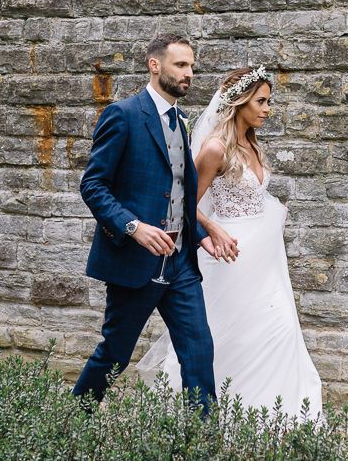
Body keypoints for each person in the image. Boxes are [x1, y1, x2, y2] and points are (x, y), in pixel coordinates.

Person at [137, 66, 323, 419]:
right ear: (239, 102)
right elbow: (183, 203)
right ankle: (219, 420)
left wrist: (271, 208)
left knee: (280, 330)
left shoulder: (252, 143)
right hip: (230, 262)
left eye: (269, 102)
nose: (268, 109)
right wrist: (212, 228)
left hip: (265, 264)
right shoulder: (214, 149)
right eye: (261, 101)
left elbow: (252, 197)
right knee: (231, 340)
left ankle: (278, 421)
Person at [72, 34, 223, 414]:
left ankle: (203, 441)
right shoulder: (123, 115)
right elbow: (93, 185)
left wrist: (200, 234)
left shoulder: (181, 120)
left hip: (180, 262)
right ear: (155, 65)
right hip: (134, 262)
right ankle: (75, 418)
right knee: (115, 355)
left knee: (199, 350)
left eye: (191, 66)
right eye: (181, 65)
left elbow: (179, 189)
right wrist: (133, 227)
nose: (189, 73)